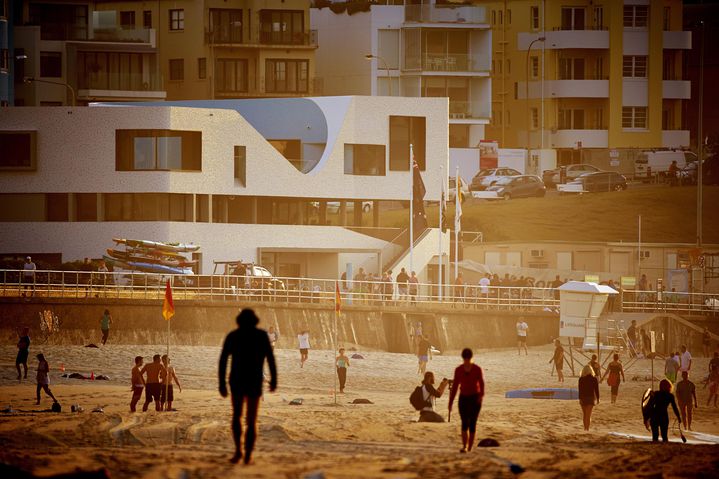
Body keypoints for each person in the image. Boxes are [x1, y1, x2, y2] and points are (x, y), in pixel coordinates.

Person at [219, 309, 277, 465]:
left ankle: (239, 451)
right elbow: (270, 359)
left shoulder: (233, 336)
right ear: (255, 321)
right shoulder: (261, 336)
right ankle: (248, 455)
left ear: (239, 321)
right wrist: (274, 380)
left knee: (237, 415)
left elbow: (223, 360)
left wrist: (221, 384)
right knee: (252, 419)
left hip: (237, 379)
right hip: (254, 380)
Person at [448, 348, 485, 453]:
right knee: (464, 422)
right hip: (463, 398)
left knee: (472, 423)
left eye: (468, 359)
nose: (467, 361)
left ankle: (469, 447)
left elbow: (481, 384)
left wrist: (481, 397)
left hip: (475, 398)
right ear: (463, 358)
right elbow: (455, 387)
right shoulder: (459, 370)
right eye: (465, 359)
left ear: (471, 358)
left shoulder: (477, 369)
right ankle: (465, 446)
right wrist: (450, 403)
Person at [578, 365, 599, 431]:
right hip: (590, 398)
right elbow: (596, 390)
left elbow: (580, 390)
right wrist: (598, 398)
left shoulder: (581, 379)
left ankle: (585, 428)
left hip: (583, 398)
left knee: (584, 415)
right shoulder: (594, 379)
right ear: (591, 370)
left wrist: (580, 399)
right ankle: (587, 429)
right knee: (588, 415)